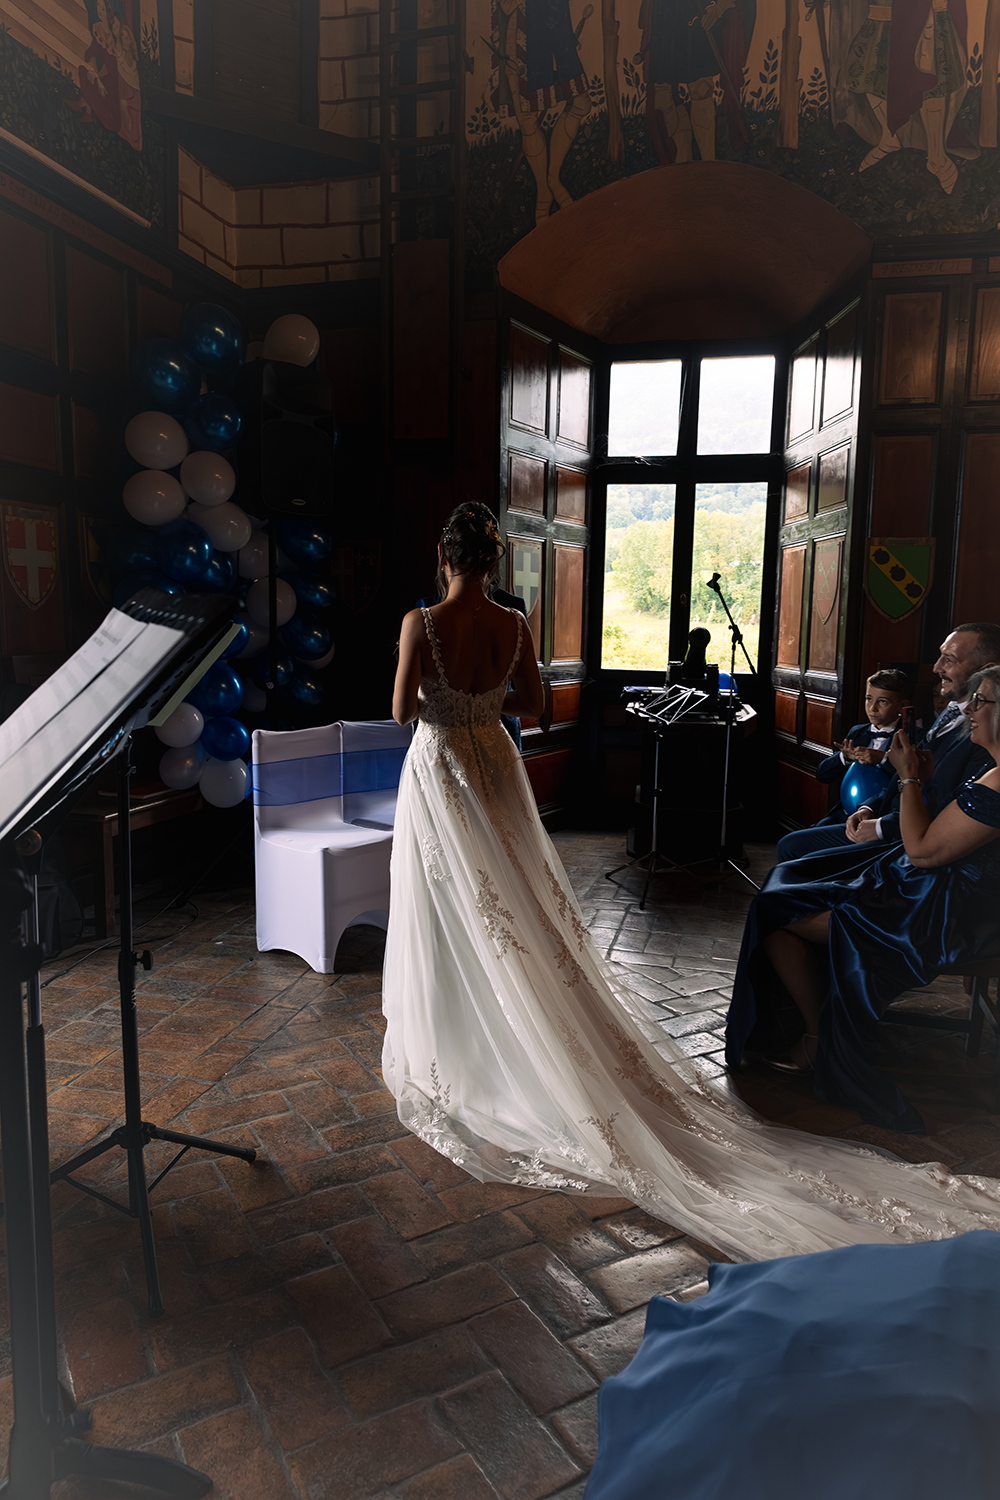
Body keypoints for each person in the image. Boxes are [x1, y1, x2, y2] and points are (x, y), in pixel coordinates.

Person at [381, 504, 1000, 1261]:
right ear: (495, 561)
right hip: (495, 765)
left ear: (442, 554)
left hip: (441, 765)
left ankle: (459, 1039)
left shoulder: (421, 623)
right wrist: (485, 704)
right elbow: (535, 706)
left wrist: (448, 703)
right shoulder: (514, 624)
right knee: (511, 902)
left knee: (447, 901)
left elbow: (401, 710)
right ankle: (516, 1029)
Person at [726, 664, 1000, 1133]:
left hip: (941, 911)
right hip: (927, 885)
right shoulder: (992, 772)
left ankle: (818, 1035)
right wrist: (917, 782)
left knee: (774, 911)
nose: (970, 709)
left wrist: (910, 779)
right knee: (788, 880)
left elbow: (923, 850)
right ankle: (811, 1025)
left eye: (982, 701)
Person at [777, 622, 1000, 862]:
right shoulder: (950, 711)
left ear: (987, 669)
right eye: (940, 656)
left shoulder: (986, 734)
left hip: (905, 841)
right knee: (793, 844)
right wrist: (869, 808)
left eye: (949, 659)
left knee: (794, 855)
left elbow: (947, 805)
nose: (936, 667)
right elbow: (902, 778)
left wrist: (881, 826)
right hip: (878, 815)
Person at [806, 667, 910, 833]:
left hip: (883, 819)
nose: (872, 708)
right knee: (800, 840)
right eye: (869, 699)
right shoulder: (857, 733)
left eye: (883, 702)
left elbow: (909, 782)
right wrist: (844, 758)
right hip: (847, 813)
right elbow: (822, 775)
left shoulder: (912, 738)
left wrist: (884, 759)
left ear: (902, 705)